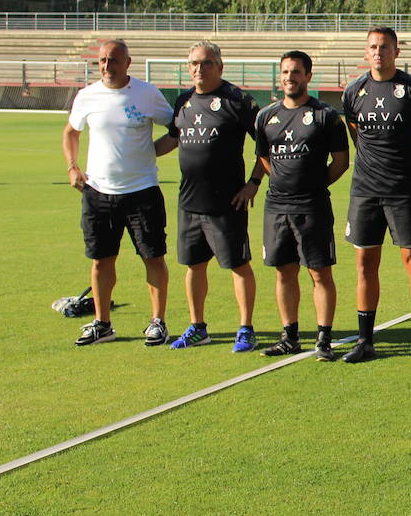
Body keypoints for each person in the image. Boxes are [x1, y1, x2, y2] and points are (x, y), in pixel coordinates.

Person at [62, 41, 175, 347]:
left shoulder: (147, 93)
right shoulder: (87, 96)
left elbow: (176, 129)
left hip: (142, 192)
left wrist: (151, 152)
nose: (106, 65)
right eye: (102, 60)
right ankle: (102, 324)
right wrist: (73, 167)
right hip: (98, 193)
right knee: (101, 261)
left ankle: (157, 322)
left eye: (113, 60)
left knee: (153, 258)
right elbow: (71, 131)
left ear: (128, 62)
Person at [157, 41, 263, 352]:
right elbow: (173, 140)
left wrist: (253, 182)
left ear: (219, 66)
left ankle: (246, 328)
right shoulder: (183, 101)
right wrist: (139, 154)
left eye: (205, 63)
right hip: (189, 202)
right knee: (194, 266)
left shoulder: (238, 101)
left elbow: (265, 146)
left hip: (227, 203)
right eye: (193, 64)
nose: (198, 69)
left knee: (238, 265)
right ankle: (197, 327)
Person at [342, 27, 411, 363]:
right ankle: (365, 341)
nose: (378, 52)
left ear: (396, 50)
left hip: (403, 192)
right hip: (364, 191)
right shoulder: (353, 91)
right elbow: (357, 136)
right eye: (372, 46)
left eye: (384, 46)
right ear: (366, 52)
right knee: (365, 264)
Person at [253, 51, 349, 360]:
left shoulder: (326, 116)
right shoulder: (266, 116)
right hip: (276, 207)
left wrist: (314, 185)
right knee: (284, 272)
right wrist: (282, 180)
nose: (289, 77)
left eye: (296, 72)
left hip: (313, 206)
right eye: (285, 72)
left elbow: (341, 162)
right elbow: (264, 157)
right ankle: (290, 335)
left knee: (319, 273)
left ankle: (323, 338)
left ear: (308, 76)